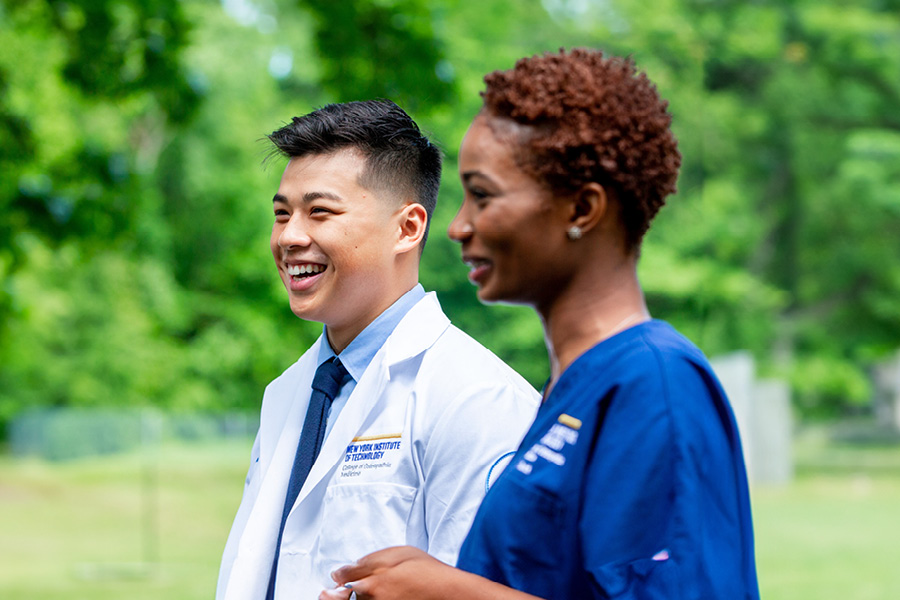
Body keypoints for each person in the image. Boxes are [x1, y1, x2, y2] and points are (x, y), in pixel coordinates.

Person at [322, 49, 760, 599]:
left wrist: (448, 593)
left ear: (582, 209)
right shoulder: (569, 387)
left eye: (483, 196)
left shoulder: (656, 384)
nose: (457, 227)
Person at [216, 99, 540, 600]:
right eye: (282, 215)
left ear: (407, 228)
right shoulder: (289, 394)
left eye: (319, 212)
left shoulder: (477, 399)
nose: (290, 237)